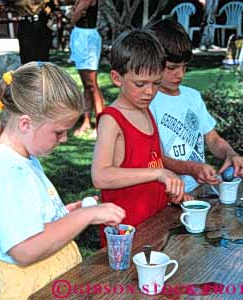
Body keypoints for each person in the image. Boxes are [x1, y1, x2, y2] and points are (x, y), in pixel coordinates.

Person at [0, 61, 125, 299]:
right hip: (28, 286)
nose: (64, 140)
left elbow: (28, 218)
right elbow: (24, 249)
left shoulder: (22, 157)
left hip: (46, 278)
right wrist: (85, 215)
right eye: (58, 132)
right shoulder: (5, 169)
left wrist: (65, 213)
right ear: (25, 123)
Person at [91, 30, 186, 247]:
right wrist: (158, 173)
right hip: (125, 234)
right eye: (140, 84)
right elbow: (100, 176)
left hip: (155, 224)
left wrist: (171, 191)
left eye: (156, 83)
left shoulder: (145, 111)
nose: (149, 92)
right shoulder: (112, 120)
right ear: (117, 78)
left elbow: (151, 161)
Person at [147, 19, 243, 194]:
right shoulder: (148, 102)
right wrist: (191, 168)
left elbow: (213, 139)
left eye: (185, 67)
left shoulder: (192, 96)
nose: (180, 74)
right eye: (172, 67)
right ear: (152, 62)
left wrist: (231, 154)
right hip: (165, 195)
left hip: (196, 191)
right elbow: (154, 158)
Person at [69, 0, 105, 138]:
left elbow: (74, 16)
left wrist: (75, 13)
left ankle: (101, 125)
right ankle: (86, 121)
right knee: (86, 85)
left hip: (87, 39)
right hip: (80, 36)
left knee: (92, 85)